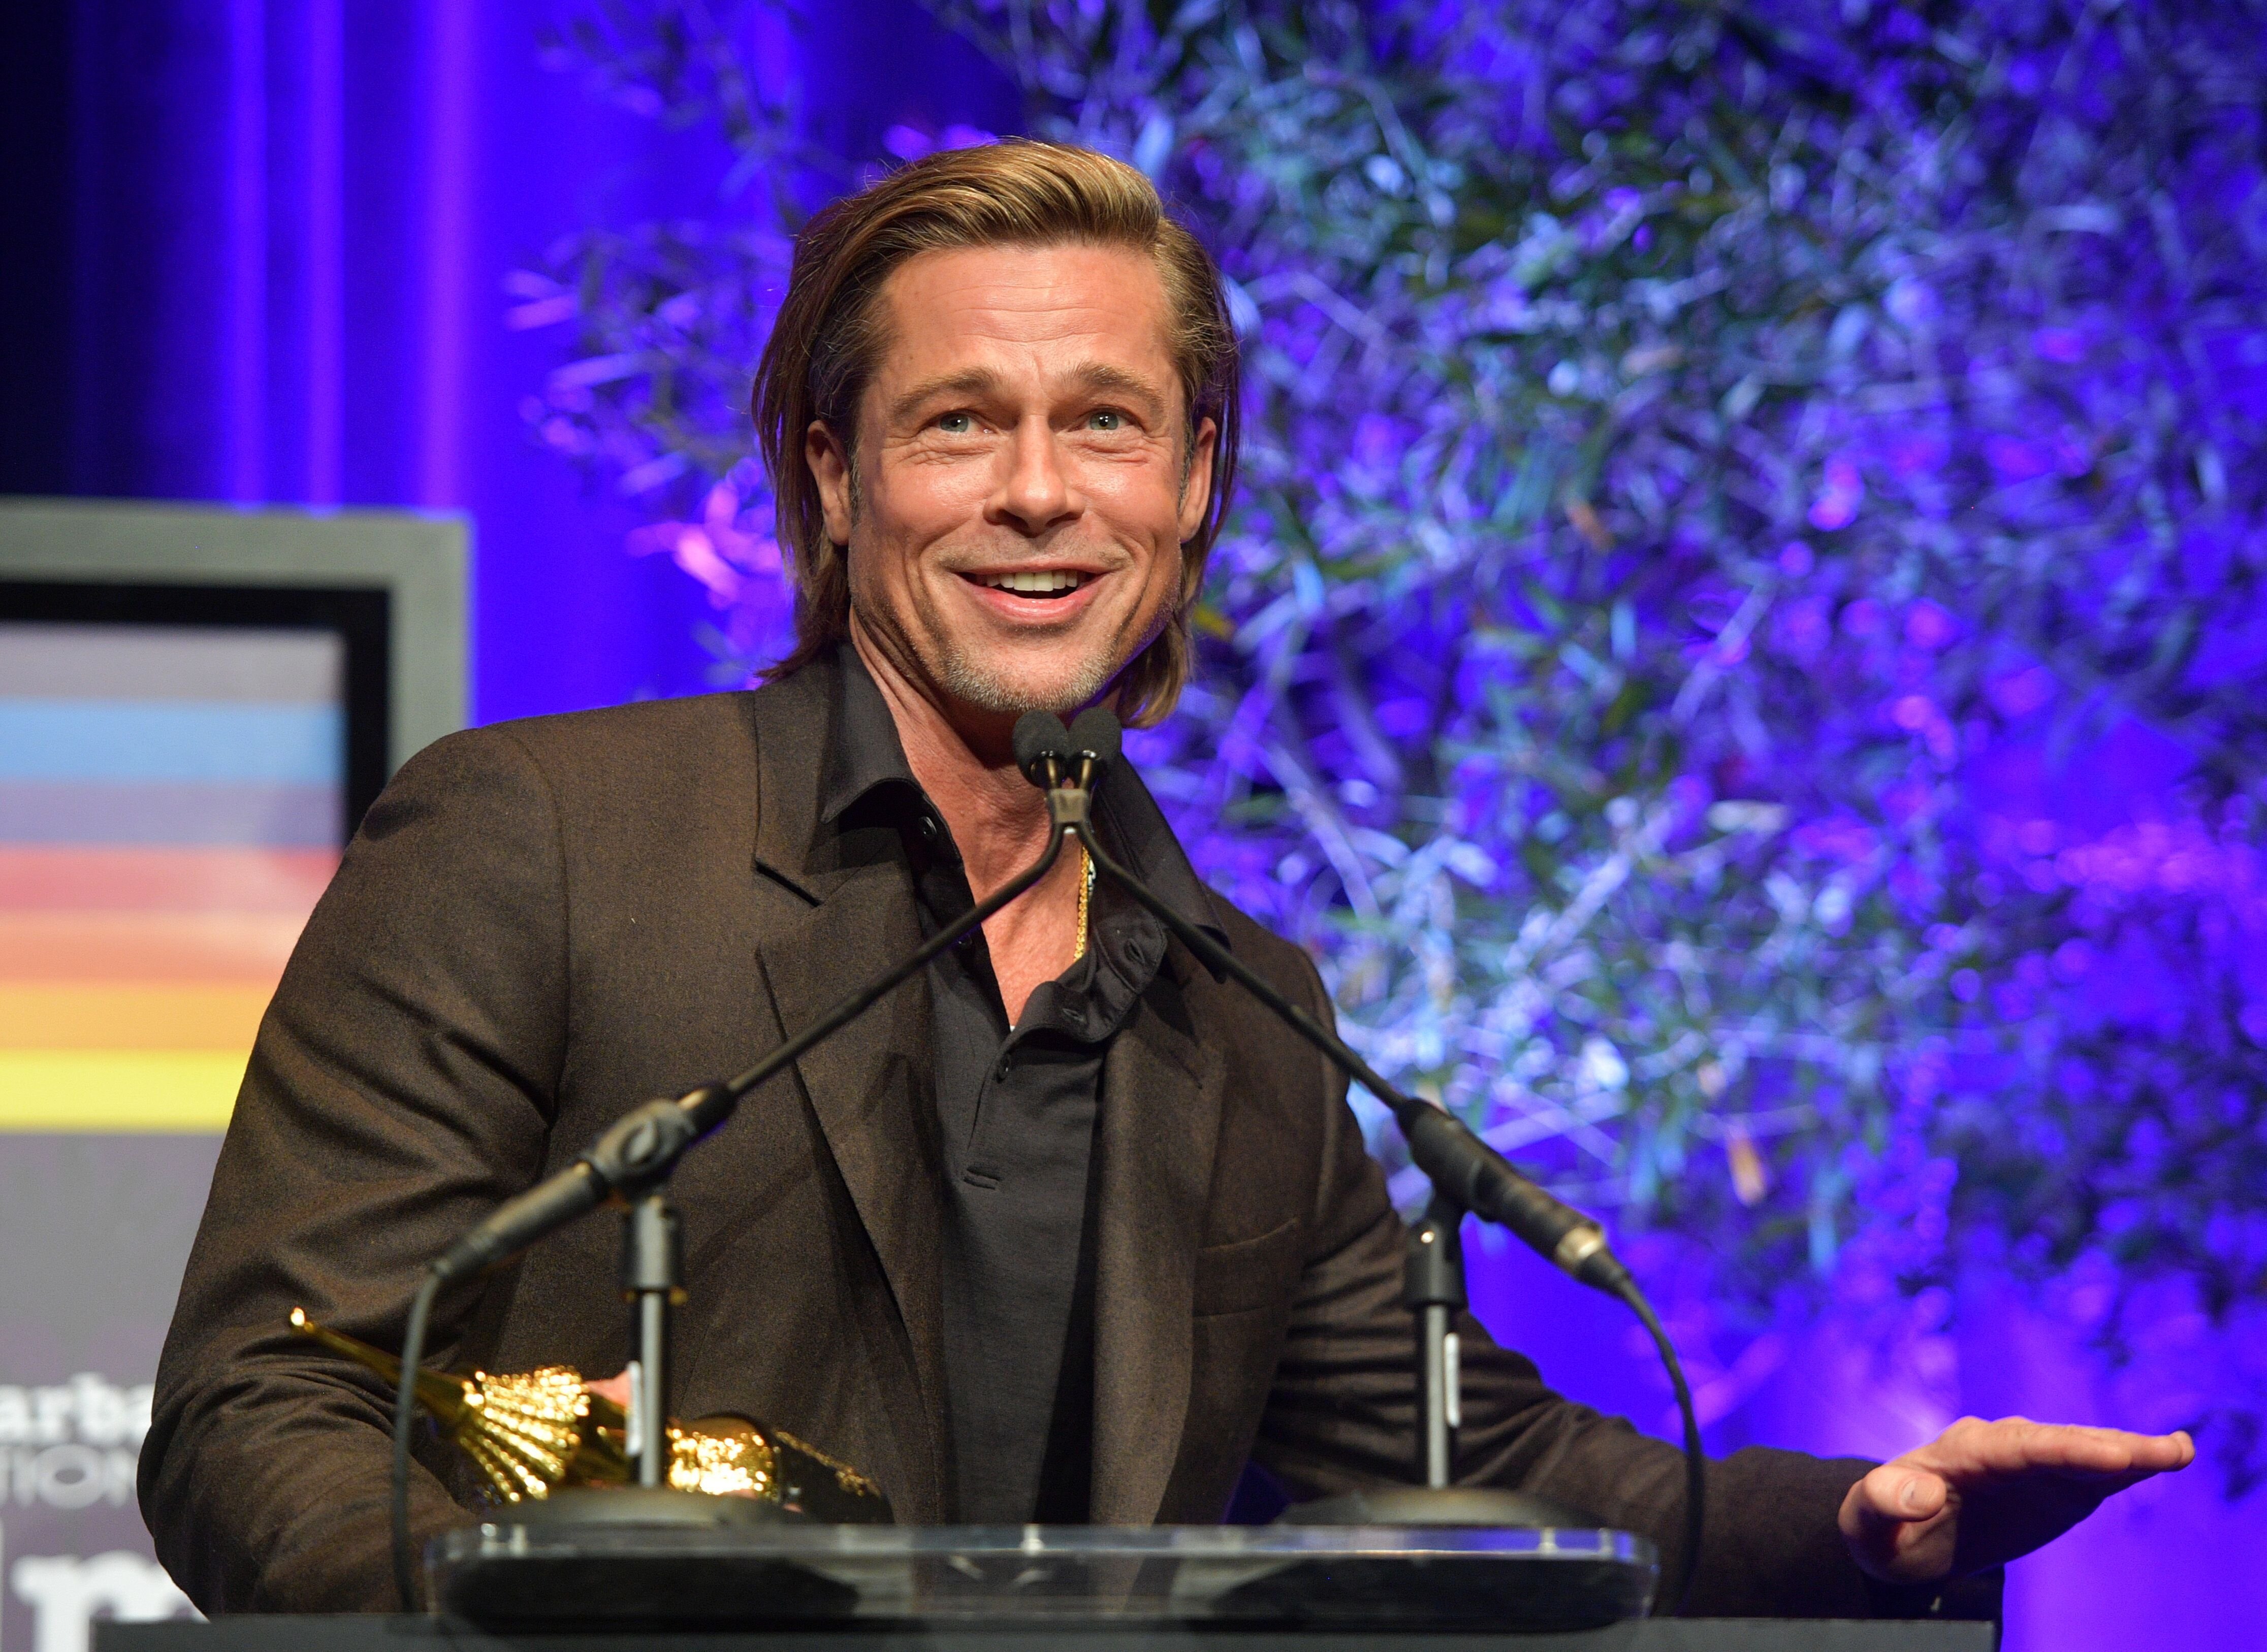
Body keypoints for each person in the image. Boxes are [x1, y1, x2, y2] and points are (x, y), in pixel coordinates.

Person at [140, 140, 2190, 1616]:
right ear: (838, 481)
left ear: (1191, 483)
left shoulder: (1234, 990)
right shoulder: (542, 837)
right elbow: (256, 1407)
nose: (1039, 489)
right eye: (959, 423)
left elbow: (1481, 1467)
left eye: (1106, 423)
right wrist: (513, 1603)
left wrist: (1862, 1519)